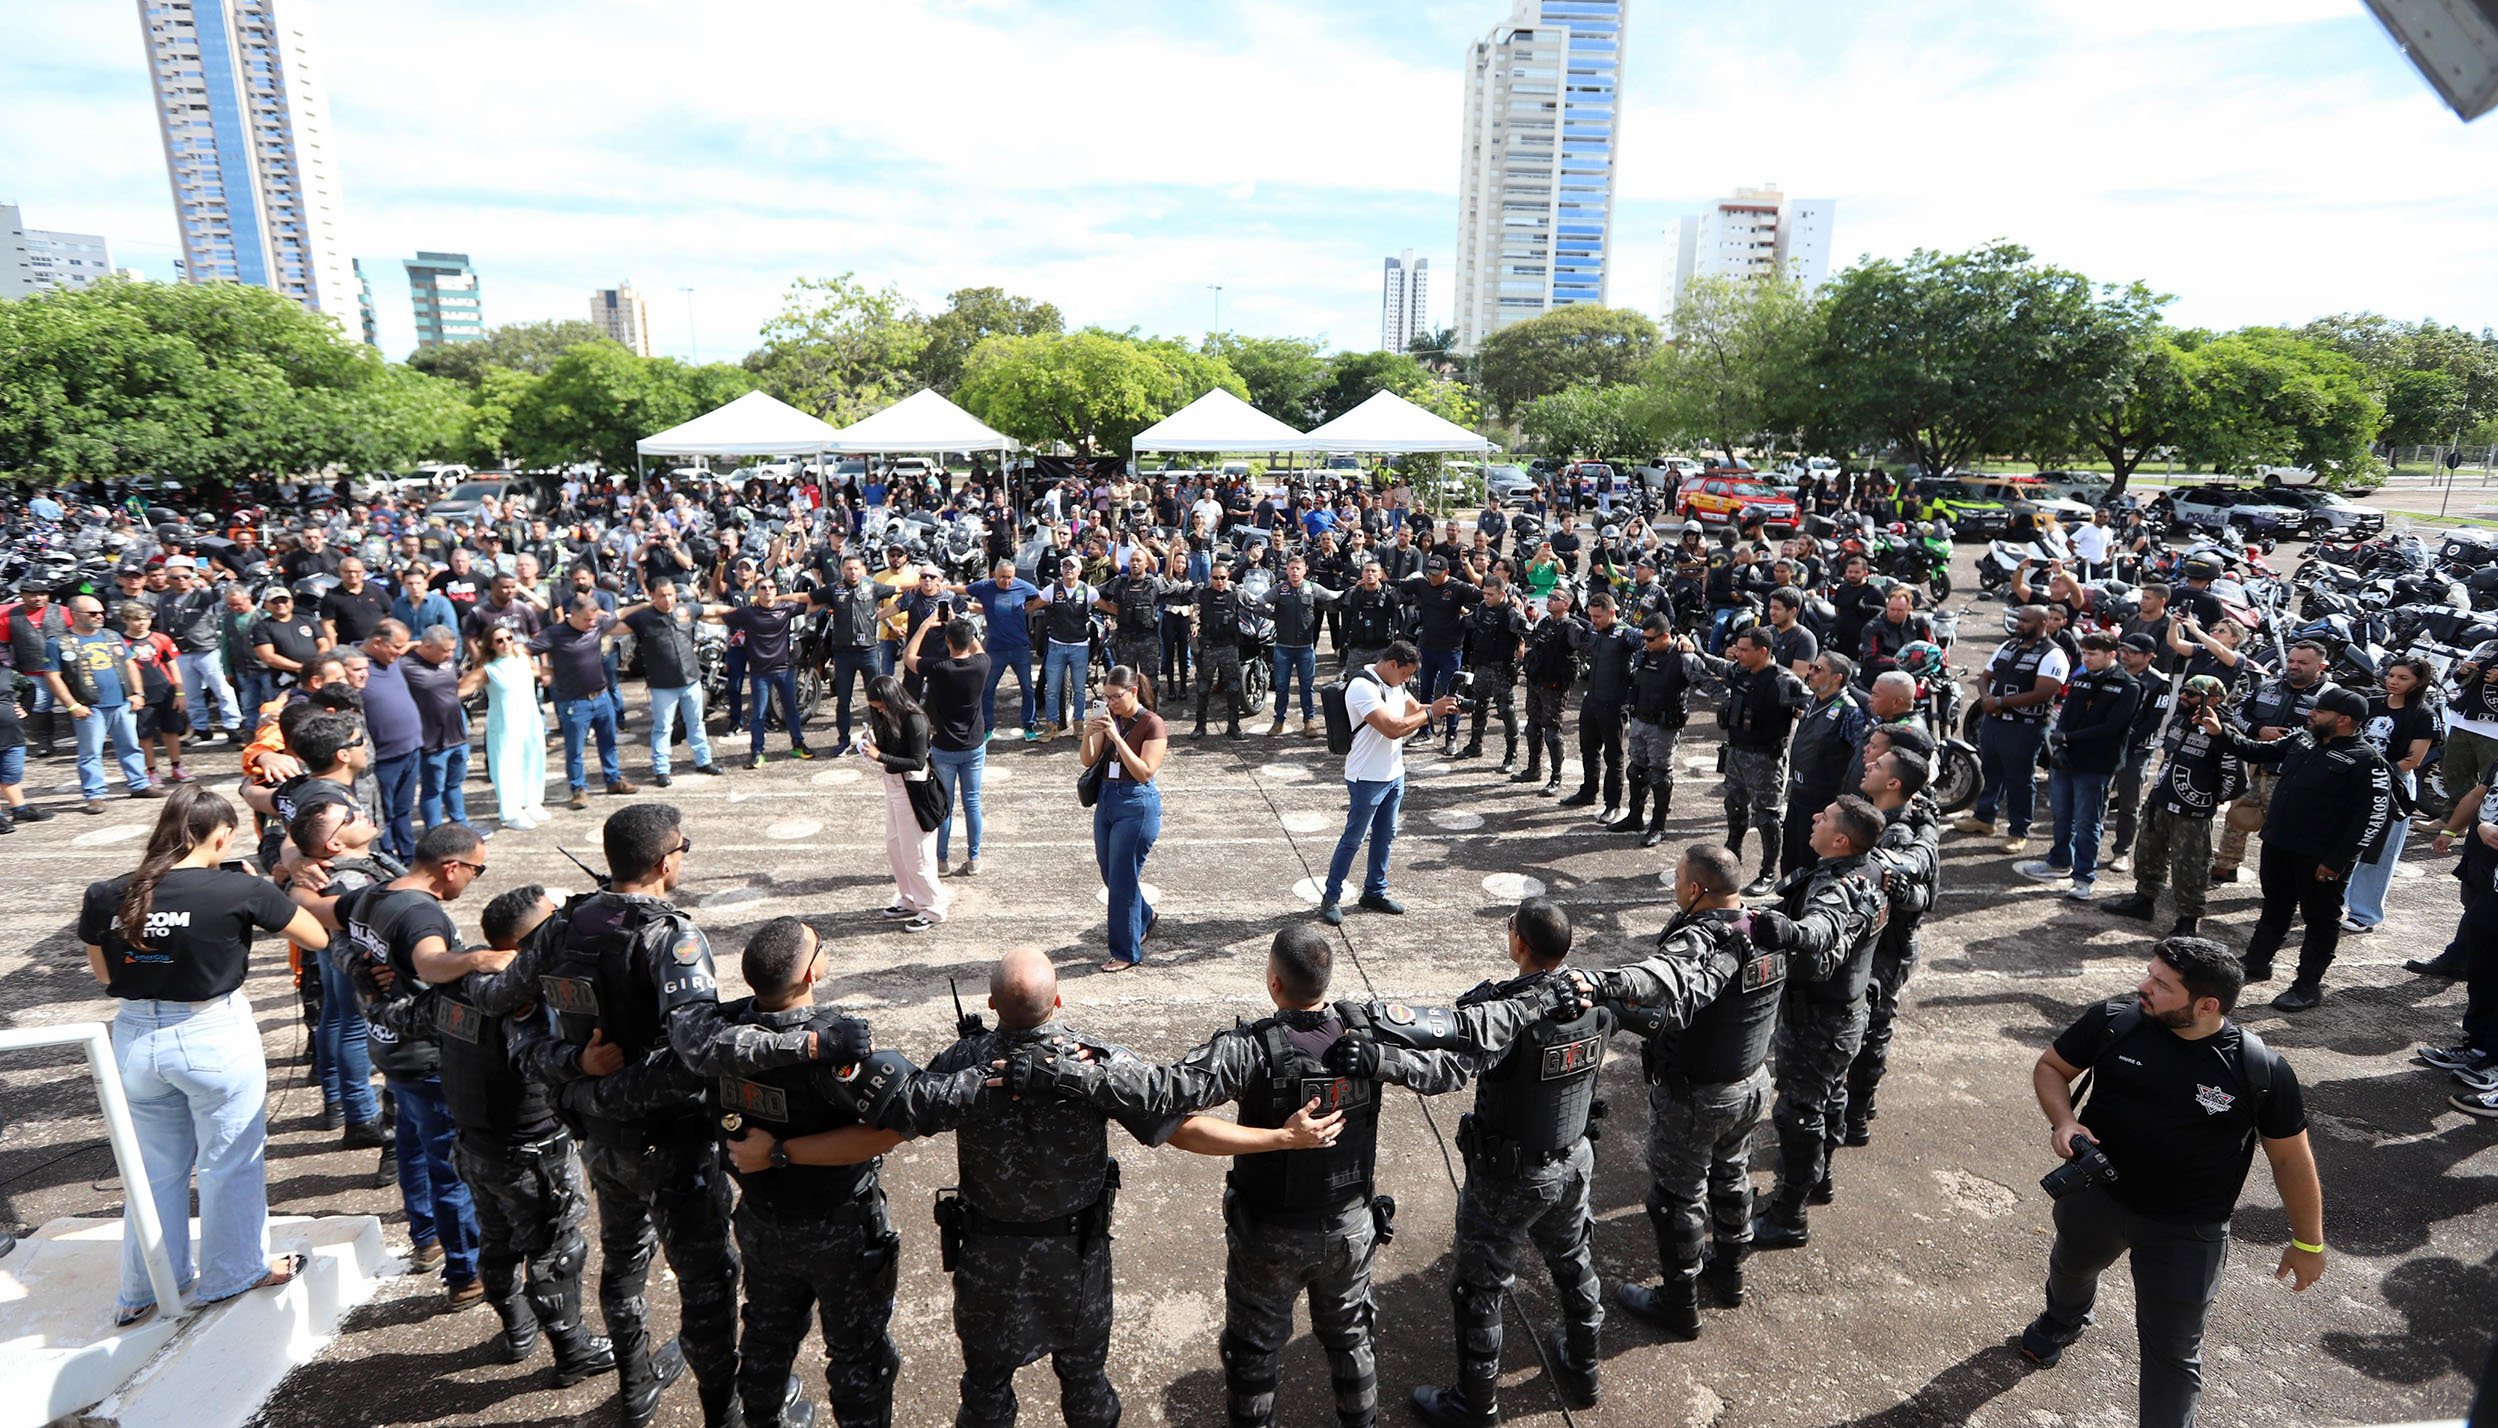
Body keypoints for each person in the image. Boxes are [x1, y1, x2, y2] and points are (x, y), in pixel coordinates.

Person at [1032, 927, 1576, 1428]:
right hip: (1350, 1229)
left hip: (1269, 1235)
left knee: (1254, 1350)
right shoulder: (1368, 1029)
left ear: (1273, 983)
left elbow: (1166, 1091)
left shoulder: (1248, 1051)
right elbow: (1452, 1063)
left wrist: (1084, 1067)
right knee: (1352, 1340)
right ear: (1326, 980)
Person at [472, 802, 867, 1428]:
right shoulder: (672, 937)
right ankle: (725, 1412)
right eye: (683, 848)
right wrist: (808, 1042)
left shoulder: (562, 923)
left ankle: (635, 1391)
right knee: (706, 1281)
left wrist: (575, 1070)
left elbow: (497, 996)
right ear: (664, 860)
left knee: (623, 1263)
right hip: (668, 1144)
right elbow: (700, 1050)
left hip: (600, 1141)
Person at [2023, 938, 2324, 1428]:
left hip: (2188, 1232)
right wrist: (2064, 1121)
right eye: (2149, 973)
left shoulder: (2259, 1070)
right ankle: (2063, 1319)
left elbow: (2291, 1159)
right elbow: (2052, 1067)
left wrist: (2308, 1241)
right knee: (2070, 1271)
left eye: (2161, 984)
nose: (2143, 986)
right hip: (2096, 1198)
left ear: (2207, 1005)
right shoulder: (2114, 1022)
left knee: (2173, 1355)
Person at [78, 787, 329, 1324]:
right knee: (229, 1159)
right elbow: (316, 938)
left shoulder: (107, 892)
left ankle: (143, 1289)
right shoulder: (237, 888)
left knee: (154, 1171)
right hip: (210, 1030)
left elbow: (105, 977)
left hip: (134, 1038)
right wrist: (258, 891)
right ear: (222, 835)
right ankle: (235, 1271)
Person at [1409, 899, 1609, 1425]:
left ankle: (1475, 1405)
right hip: (1572, 1161)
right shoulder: (1598, 1001)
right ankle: (1585, 1367)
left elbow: (1442, 1068)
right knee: (1572, 1259)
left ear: (1518, 942)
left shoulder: (1507, 1013)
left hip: (1511, 1179)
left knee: (1479, 1288)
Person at [293, 822, 506, 1310]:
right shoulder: (420, 916)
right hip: (427, 1054)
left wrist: (296, 875)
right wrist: (480, 959)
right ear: (450, 867)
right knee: (450, 1163)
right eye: (476, 870)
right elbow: (431, 965)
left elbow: (310, 907)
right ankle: (465, 1273)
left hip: (387, 1044)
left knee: (410, 1139)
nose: (474, 879)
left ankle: (427, 1236)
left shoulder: (370, 896)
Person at [701, 918, 904, 1428]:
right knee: (858, 1357)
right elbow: (887, 1131)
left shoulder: (719, 1040)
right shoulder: (834, 1047)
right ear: (811, 973)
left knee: (766, 1339)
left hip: (763, 1220)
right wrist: (783, 1152)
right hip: (839, 1229)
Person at [1594, 844, 1784, 1336]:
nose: (1675, 886)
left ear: (1697, 889)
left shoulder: (1705, 938)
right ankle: (1730, 1273)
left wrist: (1598, 987)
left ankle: (1678, 1302)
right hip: (1752, 1082)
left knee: (1676, 1198)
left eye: (1678, 879)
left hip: (1700, 1095)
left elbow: (1661, 983)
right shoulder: (1769, 927)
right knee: (1731, 1174)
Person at [2195, 685, 2393, 1012]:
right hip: (2279, 844)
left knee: (2320, 920)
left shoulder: (2366, 761)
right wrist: (2221, 733)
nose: (2310, 714)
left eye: (2319, 711)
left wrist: (2337, 861)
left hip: (2320, 858)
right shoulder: (2303, 738)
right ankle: (2257, 962)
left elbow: (2371, 818)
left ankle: (2307, 985)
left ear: (2344, 720)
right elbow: (2256, 751)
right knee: (2275, 906)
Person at [1749, 797, 1891, 1250]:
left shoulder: (1836, 887)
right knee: (1831, 1099)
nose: (1814, 817)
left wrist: (1785, 931)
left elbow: (1821, 931)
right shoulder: (1872, 871)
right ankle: (1821, 1180)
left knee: (1798, 1114)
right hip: (1847, 1015)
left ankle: (1789, 1215)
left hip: (1819, 1022)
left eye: (1824, 817)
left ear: (1841, 839)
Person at [1835, 737, 1942, 1149]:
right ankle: (1860, 1101)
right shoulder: (1895, 816)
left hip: (1886, 948)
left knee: (1871, 1029)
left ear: (1894, 783)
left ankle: (1857, 1114)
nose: (1868, 767)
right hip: (1879, 944)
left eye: (1878, 765)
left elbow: (1918, 899)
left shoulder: (1897, 833)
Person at [1320, 640, 1459, 926]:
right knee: (1353, 839)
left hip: (1394, 774)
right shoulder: (1363, 687)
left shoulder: (1396, 684)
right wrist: (1433, 713)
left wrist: (1443, 707)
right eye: (1406, 674)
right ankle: (1331, 897)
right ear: (1393, 664)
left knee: (1386, 836)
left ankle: (1374, 892)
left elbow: (1415, 709)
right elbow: (1393, 728)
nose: (1408, 680)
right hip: (1366, 777)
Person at [2102, 676, 2249, 938]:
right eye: (2182, 692)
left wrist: (2212, 797)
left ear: (2212, 700)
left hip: (2192, 813)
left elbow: (2237, 780)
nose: (2182, 698)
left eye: (2191, 694)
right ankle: (2144, 900)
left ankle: (2188, 921)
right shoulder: (2179, 721)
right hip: (2160, 802)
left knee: (2190, 867)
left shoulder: (2224, 734)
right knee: (2148, 854)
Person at [2017, 633, 2140, 899]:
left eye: (2093, 654)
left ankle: (2084, 878)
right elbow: (2065, 716)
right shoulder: (2081, 680)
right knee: (2061, 814)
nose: (2087, 659)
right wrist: (2059, 747)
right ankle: (2059, 861)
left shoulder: (2128, 686)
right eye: (2085, 654)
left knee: (2087, 822)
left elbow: (2111, 727)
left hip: (2096, 765)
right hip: (2067, 761)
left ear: (2111, 655)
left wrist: (2068, 738)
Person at [1700, 627, 1813, 896]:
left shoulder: (1783, 680)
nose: (1737, 654)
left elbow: (1812, 703)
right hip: (1737, 754)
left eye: (1743, 650)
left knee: (1766, 817)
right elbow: (1720, 666)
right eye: (1737, 648)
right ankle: (1732, 856)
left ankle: (1767, 872)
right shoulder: (1741, 671)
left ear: (1762, 651)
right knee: (1734, 807)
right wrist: (1697, 652)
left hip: (1766, 760)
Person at [1955, 604, 2069, 857]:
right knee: (1990, 770)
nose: (2019, 624)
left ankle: (2019, 832)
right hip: (1995, 721)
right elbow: (1985, 676)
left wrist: (1999, 702)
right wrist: (1987, 700)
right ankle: (1984, 818)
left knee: (2020, 779)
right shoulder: (2009, 646)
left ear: (2042, 624)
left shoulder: (2053, 654)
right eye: (2018, 619)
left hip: (2025, 727)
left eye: (2025, 621)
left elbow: (2044, 692)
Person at [2212, 641, 2327, 885]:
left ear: (2321, 666)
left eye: (2302, 663)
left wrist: (2286, 738)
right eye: (2292, 660)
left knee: (2284, 832)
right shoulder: (2266, 687)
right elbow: (2239, 713)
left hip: (2295, 775)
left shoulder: (2329, 697)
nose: (2294, 666)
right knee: (2237, 817)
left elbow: (2326, 732)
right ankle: (2226, 864)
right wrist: (2259, 729)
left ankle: (2281, 881)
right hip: (2255, 765)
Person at [1080, 665, 1169, 972]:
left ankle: (1125, 951)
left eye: (1115, 697)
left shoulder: (1152, 724)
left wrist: (1117, 738)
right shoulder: (1111, 718)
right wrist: (1090, 732)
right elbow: (1088, 760)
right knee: (1111, 874)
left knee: (1120, 881)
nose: (1111, 704)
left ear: (1133, 692)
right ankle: (1145, 916)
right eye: (1106, 698)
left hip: (1136, 806)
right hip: (1106, 801)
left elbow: (1145, 771)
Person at [2343, 655, 2437, 934]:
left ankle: (2364, 913)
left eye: (2403, 678)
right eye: (2392, 675)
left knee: (2379, 852)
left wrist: (2376, 775)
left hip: (2393, 786)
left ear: (2418, 682)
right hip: (2356, 779)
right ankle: (2334, 900)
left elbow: (2413, 759)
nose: (2393, 681)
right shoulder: (2370, 704)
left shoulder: (2423, 715)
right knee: (2343, 841)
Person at [45, 594, 159, 812]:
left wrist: (137, 693)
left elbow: (129, 664)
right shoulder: (58, 642)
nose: (99, 616)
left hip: (121, 703)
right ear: (75, 615)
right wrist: (72, 705)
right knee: (90, 752)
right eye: (92, 613)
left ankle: (139, 784)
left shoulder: (111, 636)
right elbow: (53, 676)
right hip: (90, 706)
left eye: (101, 612)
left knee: (131, 746)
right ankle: (94, 794)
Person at [531, 596, 638, 810]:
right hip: (574, 702)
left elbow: (622, 612)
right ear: (574, 615)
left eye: (594, 620)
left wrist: (647, 605)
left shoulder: (596, 625)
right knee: (575, 750)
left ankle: (613, 779)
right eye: (588, 620)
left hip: (601, 697)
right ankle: (578, 789)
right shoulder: (555, 633)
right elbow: (524, 650)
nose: (592, 624)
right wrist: (541, 671)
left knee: (608, 742)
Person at [860, 675, 948, 932]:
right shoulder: (889, 717)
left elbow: (917, 761)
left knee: (916, 853)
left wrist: (880, 756)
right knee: (895, 845)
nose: (880, 710)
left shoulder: (915, 719)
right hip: (895, 786)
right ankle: (910, 898)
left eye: (881, 706)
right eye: (876, 707)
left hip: (914, 789)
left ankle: (933, 906)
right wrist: (874, 743)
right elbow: (892, 751)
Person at [907, 615, 993, 877]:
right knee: (972, 803)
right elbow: (977, 648)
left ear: (947, 641)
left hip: (944, 745)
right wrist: (961, 623)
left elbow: (909, 657)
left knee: (945, 805)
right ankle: (974, 857)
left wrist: (923, 626)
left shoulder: (938, 667)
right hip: (974, 744)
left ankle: (941, 860)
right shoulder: (982, 664)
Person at [615, 580, 722, 787]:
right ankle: (662, 769)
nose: (667, 600)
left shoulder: (685, 610)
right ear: (653, 595)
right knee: (663, 728)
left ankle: (704, 761)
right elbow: (612, 624)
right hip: (663, 684)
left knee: (696, 723)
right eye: (662, 595)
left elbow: (716, 610)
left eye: (671, 594)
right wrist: (640, 606)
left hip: (691, 679)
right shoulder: (642, 618)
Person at [1778, 652, 1869, 879]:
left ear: (1837, 677)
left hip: (1822, 802)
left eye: (1818, 669)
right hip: (1799, 794)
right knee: (1790, 854)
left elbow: (1860, 759)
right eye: (1811, 667)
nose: (1811, 673)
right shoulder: (1813, 701)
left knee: (1811, 860)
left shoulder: (1849, 711)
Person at [461, 627, 550, 831]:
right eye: (499, 640)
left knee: (534, 758)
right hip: (504, 723)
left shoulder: (524, 659)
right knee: (507, 766)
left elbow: (541, 673)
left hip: (530, 718)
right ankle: (511, 812)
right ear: (490, 645)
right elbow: (462, 689)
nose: (506, 643)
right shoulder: (487, 669)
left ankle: (533, 802)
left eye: (509, 638)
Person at [1559, 594, 1638, 822]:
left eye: (1598, 617)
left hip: (1614, 703)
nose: (1593, 621)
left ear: (1611, 613)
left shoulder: (1626, 633)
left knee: (1613, 755)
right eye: (1591, 616)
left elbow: (1650, 642)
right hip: (1592, 700)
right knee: (1588, 749)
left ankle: (1612, 804)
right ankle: (1588, 791)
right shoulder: (1594, 629)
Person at [724, 582, 817, 768]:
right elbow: (720, 616)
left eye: (771, 588)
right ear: (756, 592)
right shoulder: (748, 612)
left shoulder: (786, 608)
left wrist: (784, 598)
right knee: (758, 714)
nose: (767, 591)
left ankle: (798, 743)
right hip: (760, 673)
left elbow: (814, 603)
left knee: (791, 710)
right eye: (763, 588)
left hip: (785, 670)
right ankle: (757, 752)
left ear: (776, 591)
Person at [156, 557, 242, 743]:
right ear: (169, 579)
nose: (181, 580)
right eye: (176, 577)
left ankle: (232, 726)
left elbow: (219, 595)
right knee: (191, 693)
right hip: (181, 651)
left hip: (206, 648)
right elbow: (163, 624)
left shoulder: (202, 594)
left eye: (185, 576)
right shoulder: (165, 600)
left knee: (222, 690)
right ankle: (200, 728)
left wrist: (212, 580)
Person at [1255, 553, 1341, 739]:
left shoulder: (1312, 588)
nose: (1294, 571)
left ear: (1305, 570)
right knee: (1282, 686)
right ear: (1286, 570)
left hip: (1305, 647)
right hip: (1283, 647)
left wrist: (1352, 590)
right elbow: (1259, 602)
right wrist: (1273, 616)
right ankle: (1279, 721)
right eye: (1291, 568)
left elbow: (1333, 597)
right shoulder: (1280, 589)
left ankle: (1309, 722)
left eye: (1298, 568)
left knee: (1306, 686)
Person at [965, 558, 1043, 742]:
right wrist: (941, 588)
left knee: (1027, 688)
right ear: (994, 575)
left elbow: (1042, 596)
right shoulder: (985, 586)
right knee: (988, 689)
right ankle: (987, 728)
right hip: (996, 649)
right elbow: (962, 590)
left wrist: (1029, 607)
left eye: (1010, 578)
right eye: (1002, 578)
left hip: (1020, 648)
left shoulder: (1023, 587)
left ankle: (1029, 726)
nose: (1006, 582)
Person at [1517, 588, 1584, 796]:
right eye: (1550, 597)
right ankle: (1533, 768)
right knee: (1532, 727)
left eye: (1556, 598)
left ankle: (1556, 777)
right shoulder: (1545, 623)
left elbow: (1582, 650)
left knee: (1552, 733)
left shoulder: (1572, 627)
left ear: (1566, 604)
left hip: (1554, 687)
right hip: (1537, 682)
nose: (1550, 600)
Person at [402, 625, 471, 828]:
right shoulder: (406, 666)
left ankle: (461, 824)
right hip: (432, 740)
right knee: (433, 789)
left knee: (455, 784)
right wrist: (411, 644)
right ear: (427, 646)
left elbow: (459, 680)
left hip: (457, 735)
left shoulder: (448, 662)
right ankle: (434, 830)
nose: (450, 654)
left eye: (452, 650)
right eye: (444, 650)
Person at [120, 600, 191, 788]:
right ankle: (151, 770)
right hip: (142, 693)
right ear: (125, 620)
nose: (142, 623)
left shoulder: (161, 638)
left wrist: (179, 692)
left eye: (145, 619)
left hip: (165, 689)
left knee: (172, 730)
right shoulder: (121, 643)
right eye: (136, 619)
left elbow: (172, 664)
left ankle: (177, 765)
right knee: (145, 734)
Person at [1458, 576, 1527, 769]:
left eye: (1491, 594)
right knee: (1478, 706)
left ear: (1502, 594)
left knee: (1506, 709)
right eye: (1484, 593)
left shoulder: (1511, 612)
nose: (1486, 597)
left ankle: (1511, 754)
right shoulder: (1482, 607)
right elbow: (1469, 622)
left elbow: (1526, 629)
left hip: (1502, 668)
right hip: (1482, 665)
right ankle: (1475, 745)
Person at [1036, 559, 1098, 741]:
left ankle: (1079, 725)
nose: (1068, 569)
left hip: (1079, 646)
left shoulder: (1088, 590)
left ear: (1079, 571)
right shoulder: (1052, 589)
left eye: (1072, 567)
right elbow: (1033, 606)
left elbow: (1106, 606)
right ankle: (1051, 726)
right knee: (1052, 689)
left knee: (1079, 689)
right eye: (1065, 566)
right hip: (1056, 645)